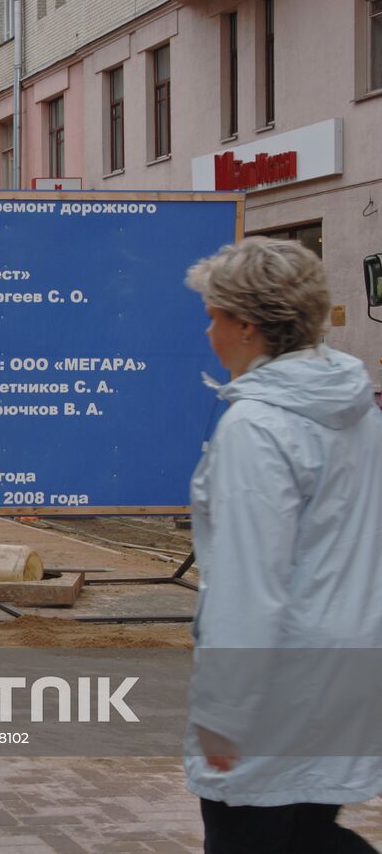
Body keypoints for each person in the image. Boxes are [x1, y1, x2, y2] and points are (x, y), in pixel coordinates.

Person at [183, 239, 382, 852]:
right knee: (308, 832)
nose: (208, 331)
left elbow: (249, 579)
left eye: (214, 316)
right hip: (350, 665)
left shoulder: (257, 426)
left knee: (253, 836)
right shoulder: (356, 409)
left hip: (276, 681)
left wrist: (224, 708)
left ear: (246, 324)